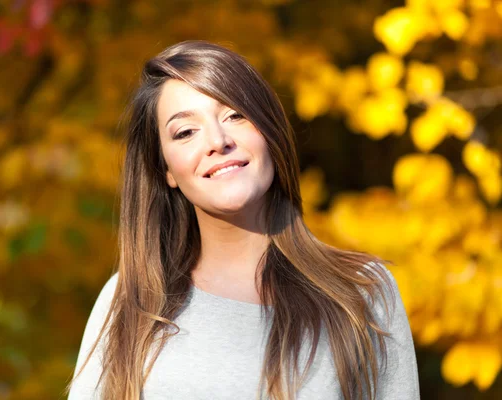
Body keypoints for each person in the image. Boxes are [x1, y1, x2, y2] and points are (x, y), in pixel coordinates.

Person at [66, 40, 420, 400]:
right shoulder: (130, 300)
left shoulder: (360, 293)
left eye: (235, 115)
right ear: (165, 169)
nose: (218, 141)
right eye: (185, 132)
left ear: (268, 131)